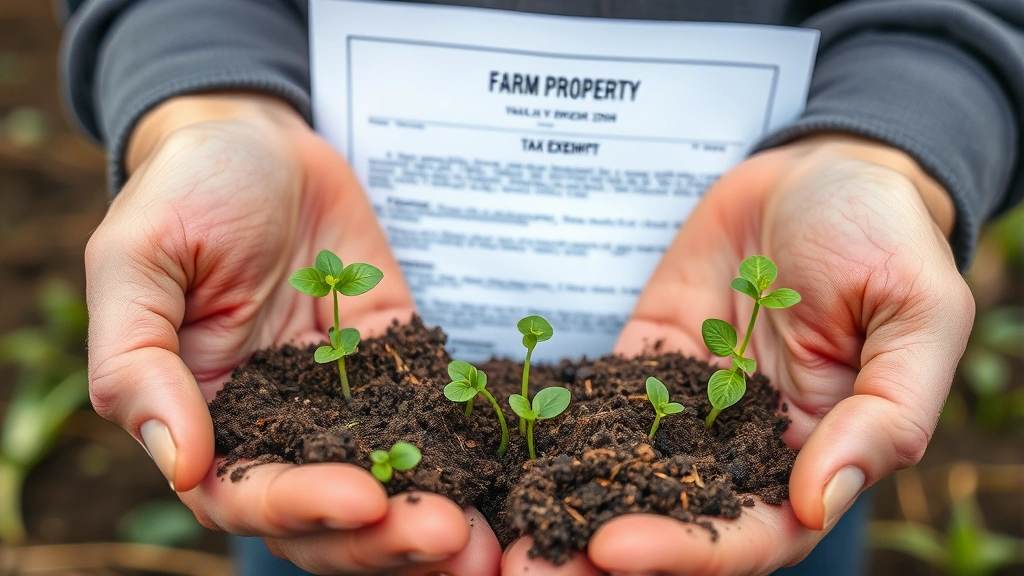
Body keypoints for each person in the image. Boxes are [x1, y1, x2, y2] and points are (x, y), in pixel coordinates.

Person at [60, 1, 1023, 575]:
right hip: (323, 457)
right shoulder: (345, 328)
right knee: (344, 517)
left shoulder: (747, 357)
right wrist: (204, 100)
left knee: (777, 489)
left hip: (790, 377)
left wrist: (891, 141)